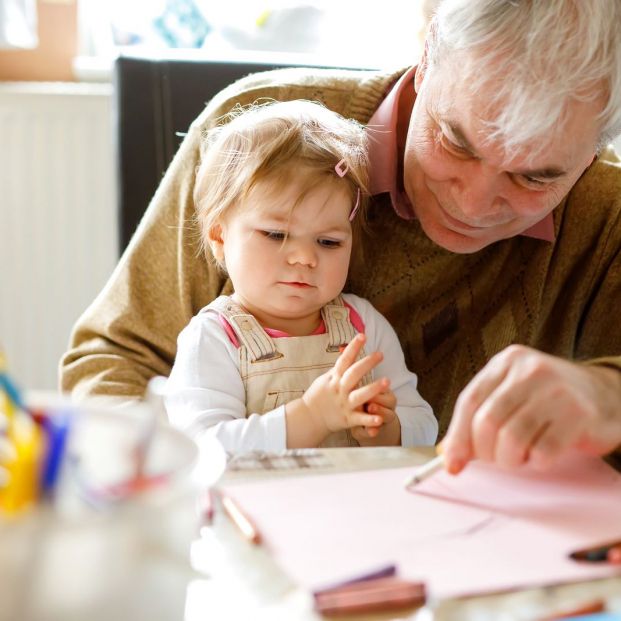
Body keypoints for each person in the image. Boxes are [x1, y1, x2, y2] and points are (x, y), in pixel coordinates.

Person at [61, 0, 621, 474]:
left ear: (597, 148)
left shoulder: (607, 214)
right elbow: (115, 359)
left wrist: (608, 396)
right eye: (456, 141)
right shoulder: (257, 146)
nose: (471, 204)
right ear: (425, 60)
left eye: (533, 177)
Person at [163, 99, 437, 453]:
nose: (305, 258)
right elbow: (202, 451)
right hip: (254, 506)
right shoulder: (214, 338)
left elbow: (426, 428)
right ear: (219, 237)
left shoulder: (362, 325)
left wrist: (388, 429)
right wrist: (311, 417)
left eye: (329, 241)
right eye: (276, 235)